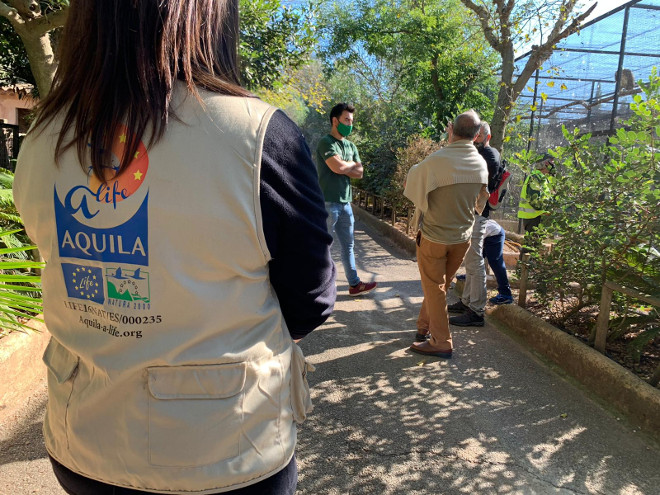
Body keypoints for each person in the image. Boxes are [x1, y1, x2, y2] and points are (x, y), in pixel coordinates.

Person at [13, 1, 336, 494]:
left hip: (83, 441)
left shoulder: (42, 136)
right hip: (225, 453)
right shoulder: (255, 136)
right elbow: (310, 297)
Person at [403, 110, 488, 358]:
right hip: (462, 238)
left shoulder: (436, 161)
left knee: (434, 287)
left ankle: (441, 341)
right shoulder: (480, 163)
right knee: (439, 287)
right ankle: (423, 328)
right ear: (477, 135)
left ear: (451, 129)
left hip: (433, 237)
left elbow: (410, 185)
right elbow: (481, 199)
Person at [316, 103, 377, 296]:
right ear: (335, 121)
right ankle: (319, 288)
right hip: (327, 203)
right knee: (322, 247)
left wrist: (346, 165)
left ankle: (354, 284)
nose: (350, 124)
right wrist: (349, 165)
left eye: (351, 121)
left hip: (345, 204)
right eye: (346, 120)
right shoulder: (326, 142)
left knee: (348, 246)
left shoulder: (351, 145)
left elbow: (360, 173)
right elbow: (337, 168)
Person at [449, 121, 502, 327]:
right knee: (471, 261)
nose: (474, 140)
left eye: (478, 137)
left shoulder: (489, 156)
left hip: (479, 214)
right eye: (474, 136)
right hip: (472, 213)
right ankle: (467, 302)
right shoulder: (484, 154)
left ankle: (477, 311)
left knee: (475, 261)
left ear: (487, 137)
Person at [517, 153, 555, 234]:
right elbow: (534, 201)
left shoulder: (542, 178)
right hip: (533, 218)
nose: (553, 165)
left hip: (537, 217)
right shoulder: (535, 178)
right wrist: (546, 209)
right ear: (545, 164)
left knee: (535, 244)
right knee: (532, 245)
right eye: (551, 162)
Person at [482, 219, 514, 305]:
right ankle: (469, 277)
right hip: (485, 233)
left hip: (495, 234)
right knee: (475, 260)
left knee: (495, 262)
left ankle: (506, 294)